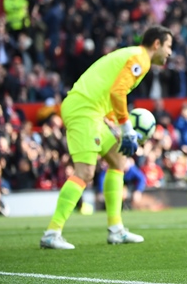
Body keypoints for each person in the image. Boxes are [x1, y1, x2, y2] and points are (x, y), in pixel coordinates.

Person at [39, 25, 173, 249]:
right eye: (169, 46)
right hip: (84, 110)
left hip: (95, 111)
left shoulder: (133, 55)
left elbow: (108, 91)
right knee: (85, 172)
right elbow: (117, 92)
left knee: (119, 160)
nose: (170, 53)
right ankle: (52, 232)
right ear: (157, 44)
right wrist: (127, 127)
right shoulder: (140, 58)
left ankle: (116, 230)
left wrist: (114, 124)